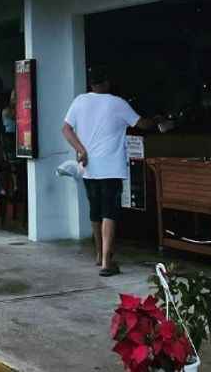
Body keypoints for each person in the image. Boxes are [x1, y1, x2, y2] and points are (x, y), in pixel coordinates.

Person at [62, 66, 155, 277]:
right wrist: (156, 121)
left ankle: (98, 254)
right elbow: (141, 123)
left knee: (95, 211)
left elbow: (65, 129)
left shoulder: (79, 101)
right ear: (107, 83)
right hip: (111, 167)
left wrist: (81, 150)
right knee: (109, 212)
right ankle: (106, 262)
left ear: (91, 84)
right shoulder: (117, 103)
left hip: (89, 168)